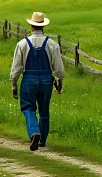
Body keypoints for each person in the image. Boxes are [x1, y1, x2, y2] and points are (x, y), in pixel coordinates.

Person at [10, 11, 65, 151]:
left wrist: (14, 84)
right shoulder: (52, 44)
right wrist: (59, 81)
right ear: (43, 26)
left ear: (31, 26)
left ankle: (35, 132)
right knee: (44, 110)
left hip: (29, 79)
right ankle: (42, 141)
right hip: (47, 79)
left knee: (28, 108)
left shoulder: (22, 44)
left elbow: (16, 67)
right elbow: (58, 67)